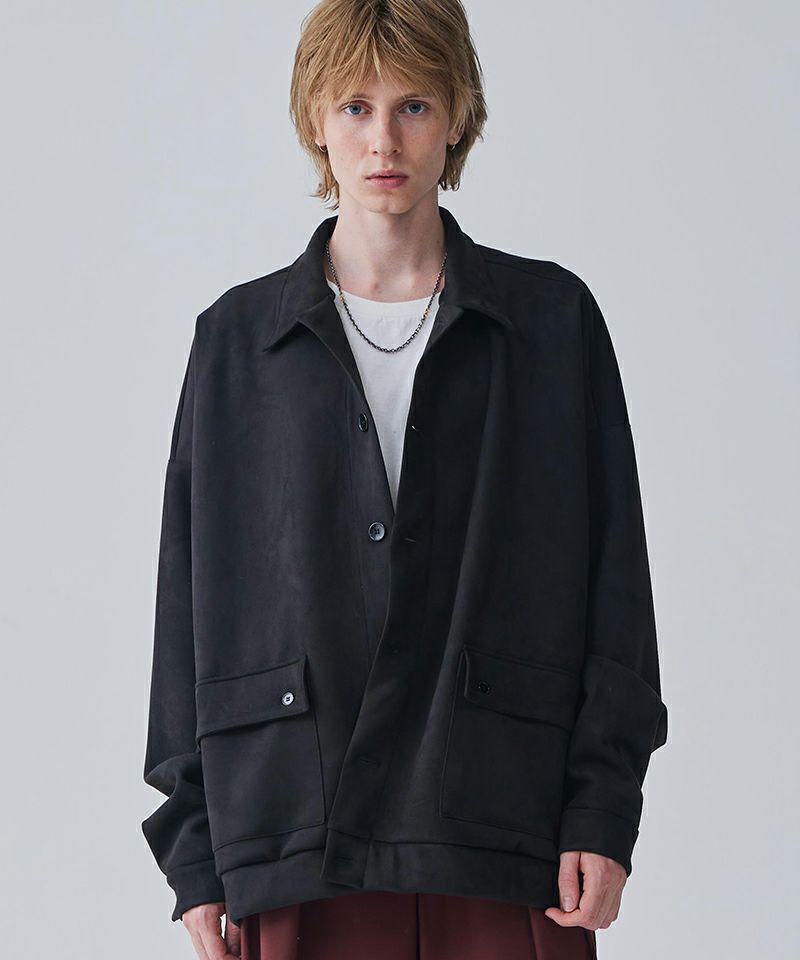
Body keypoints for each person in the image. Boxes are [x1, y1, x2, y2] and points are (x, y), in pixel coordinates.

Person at [141, 2, 668, 958]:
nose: (383, 140)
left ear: (458, 115)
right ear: (315, 119)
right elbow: (188, 599)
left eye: (414, 105)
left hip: (506, 824)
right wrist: (195, 853)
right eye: (354, 106)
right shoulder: (236, 343)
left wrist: (602, 805)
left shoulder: (551, 323)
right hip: (293, 826)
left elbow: (616, 583)